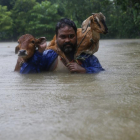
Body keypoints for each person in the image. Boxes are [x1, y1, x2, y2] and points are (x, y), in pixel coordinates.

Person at [17, 18, 104, 74]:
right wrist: (39, 52)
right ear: (56, 38)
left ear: (76, 37)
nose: (67, 40)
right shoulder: (48, 56)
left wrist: (84, 70)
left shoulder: (86, 56)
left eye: (71, 36)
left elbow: (101, 72)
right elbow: (27, 74)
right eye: (63, 37)